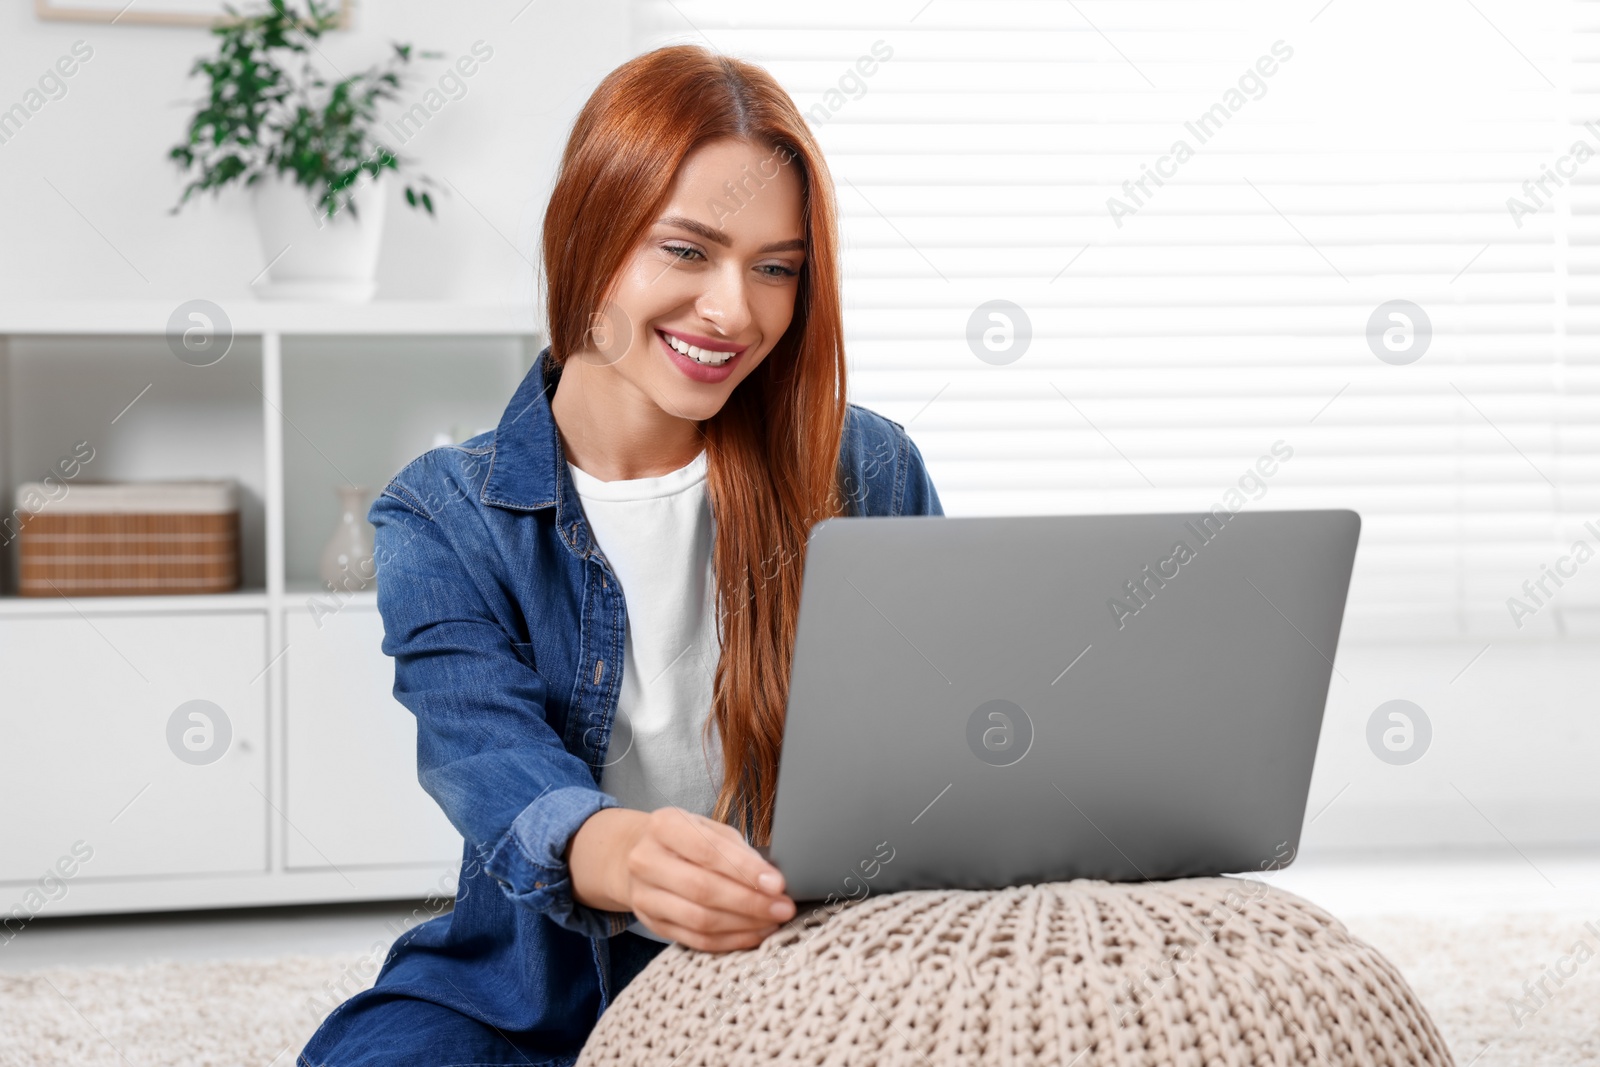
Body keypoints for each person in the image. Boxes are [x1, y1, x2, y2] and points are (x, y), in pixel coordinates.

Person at [297, 42, 943, 1067]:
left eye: (776, 267)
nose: (735, 310)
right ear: (589, 236)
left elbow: (940, 738)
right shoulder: (443, 514)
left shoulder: (865, 469)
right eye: (686, 250)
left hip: (802, 964)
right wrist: (624, 853)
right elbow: (485, 753)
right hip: (530, 986)